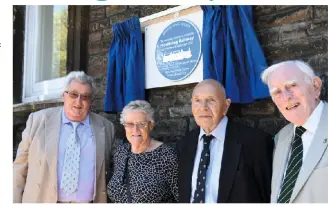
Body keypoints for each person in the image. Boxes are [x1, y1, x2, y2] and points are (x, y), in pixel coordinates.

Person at [13, 71, 115, 203]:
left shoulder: (106, 127)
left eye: (85, 96)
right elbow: (19, 168)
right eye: (73, 94)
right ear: (63, 95)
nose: (78, 101)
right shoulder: (38, 120)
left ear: (91, 101)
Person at [177, 79, 274, 203]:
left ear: (226, 105)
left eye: (211, 100)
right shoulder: (184, 145)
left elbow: (269, 195)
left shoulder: (255, 142)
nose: (203, 107)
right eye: (197, 101)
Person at [261, 60, 328, 203]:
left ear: (315, 86)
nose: (286, 97)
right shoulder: (281, 138)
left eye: (292, 85)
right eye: (277, 92)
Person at [107, 100, 179, 203]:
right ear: (124, 126)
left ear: (150, 125)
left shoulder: (166, 155)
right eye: (130, 124)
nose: (135, 130)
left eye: (141, 124)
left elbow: (181, 197)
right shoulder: (121, 152)